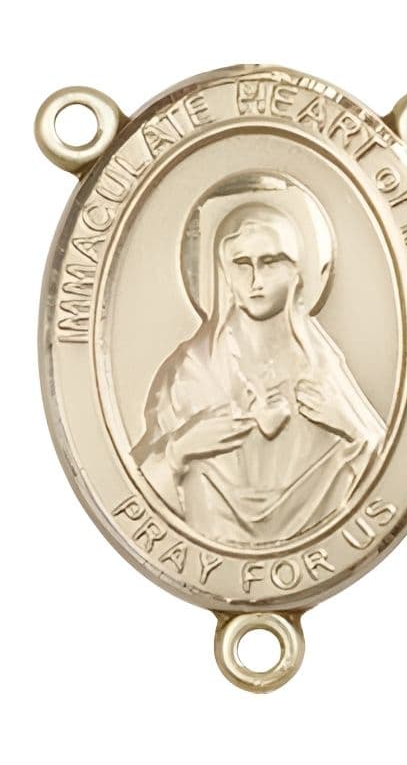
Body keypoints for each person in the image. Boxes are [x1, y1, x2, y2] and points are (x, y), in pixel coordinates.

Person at [132, 172, 385, 546]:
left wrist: (349, 427)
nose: (255, 279)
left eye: (270, 261)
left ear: (297, 272)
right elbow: (136, 498)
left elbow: (385, 477)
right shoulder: (189, 372)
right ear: (223, 273)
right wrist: (180, 449)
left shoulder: (323, 372)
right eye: (242, 263)